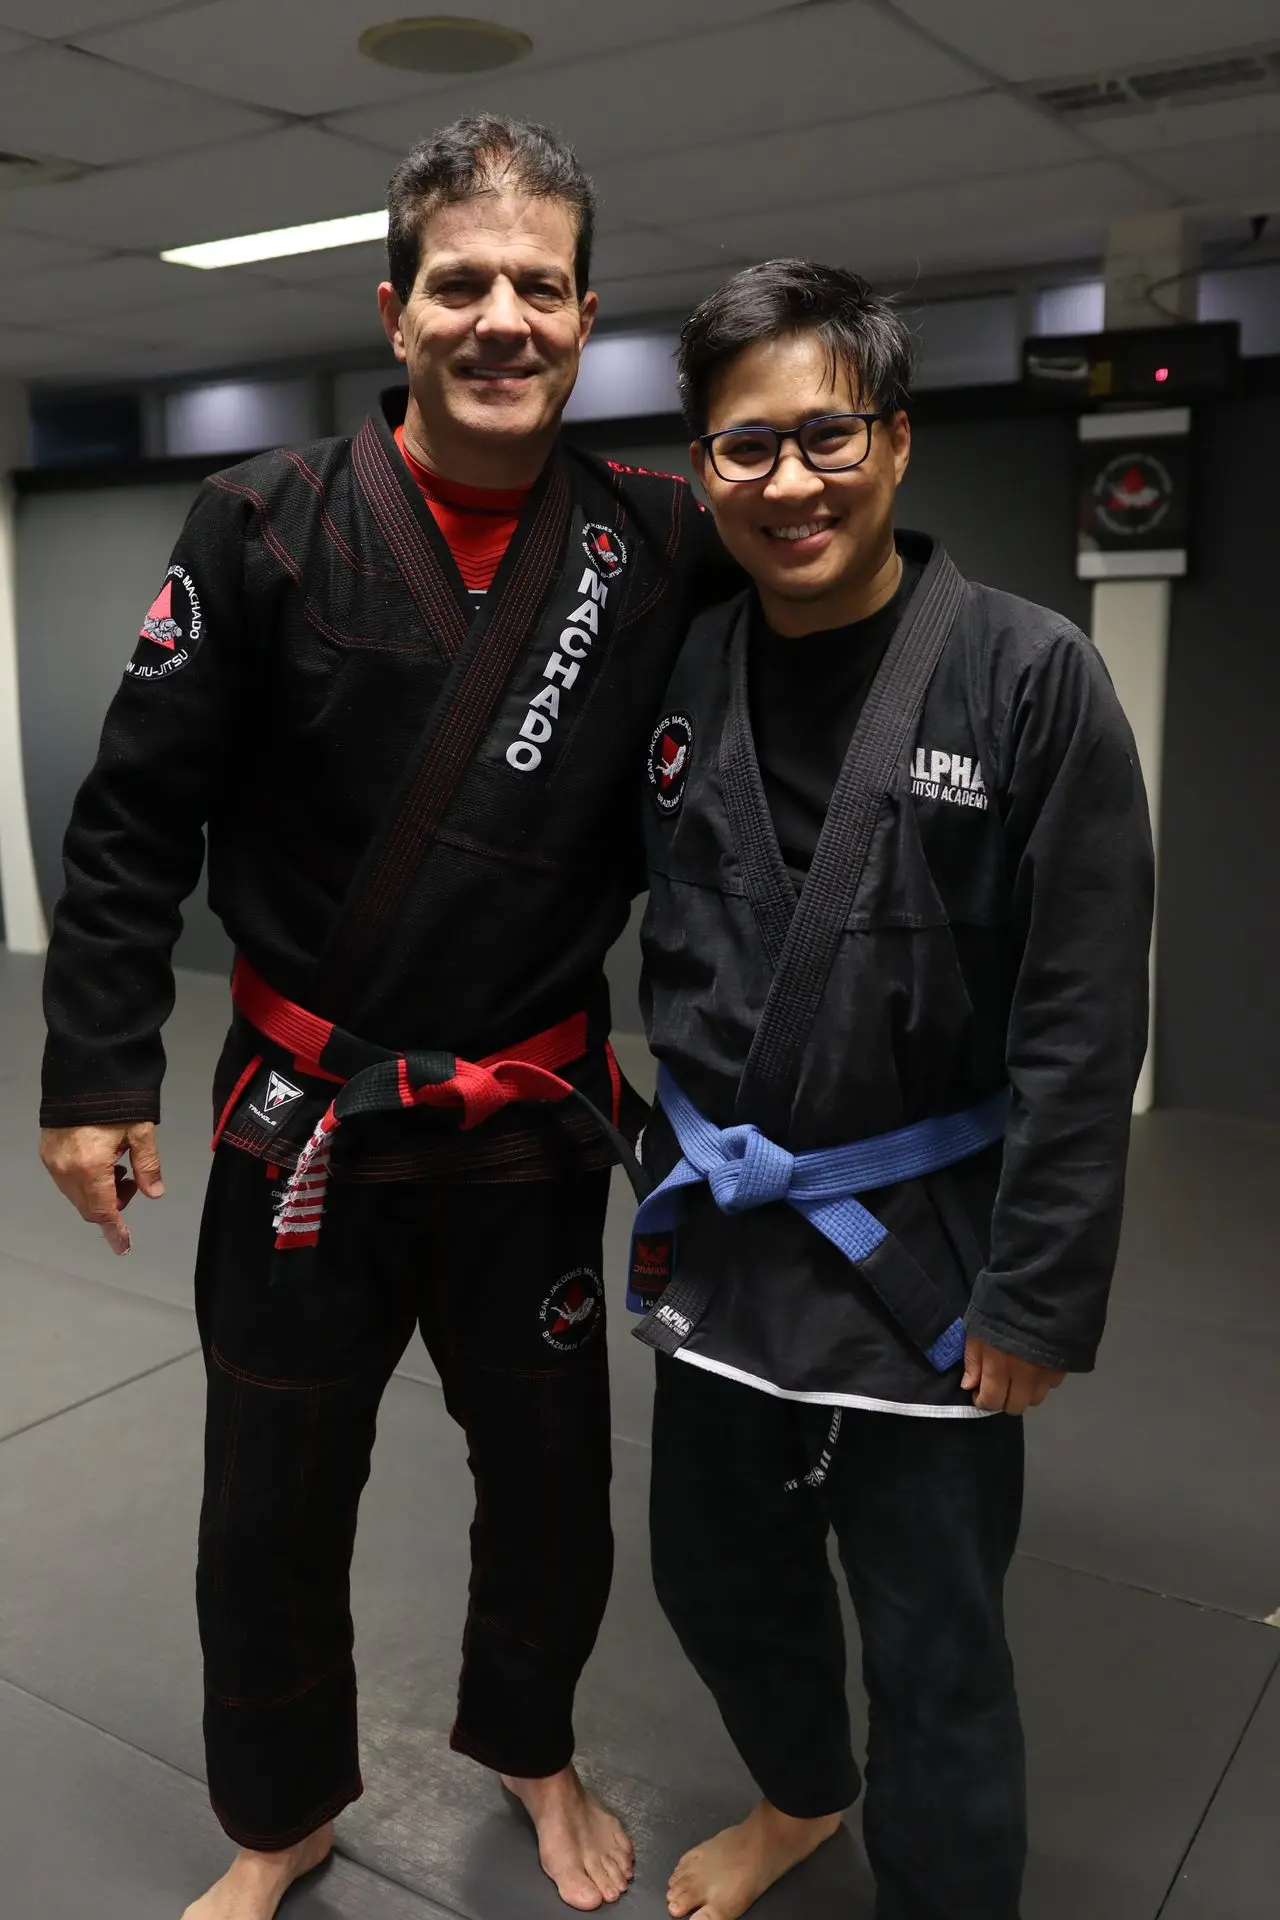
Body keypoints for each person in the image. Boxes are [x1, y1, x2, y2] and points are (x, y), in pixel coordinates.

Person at [38, 115, 731, 1920]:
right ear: (396, 308)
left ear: (590, 318)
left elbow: (840, 585)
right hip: (307, 1116)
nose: (504, 317)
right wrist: (100, 1070)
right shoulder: (261, 523)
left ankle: (529, 1741)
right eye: (463, 283)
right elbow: (131, 818)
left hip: (526, 1122)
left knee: (554, 1482)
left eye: (543, 286)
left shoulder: (656, 543)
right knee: (270, 1493)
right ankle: (279, 1814)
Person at [628, 260, 1155, 1920]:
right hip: (726, 1244)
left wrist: (1040, 1293)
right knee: (716, 1579)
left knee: (938, 1647)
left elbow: (1084, 1015)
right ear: (704, 468)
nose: (789, 483)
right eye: (744, 449)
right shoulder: (683, 668)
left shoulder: (1029, 675)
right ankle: (800, 1797)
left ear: (898, 444)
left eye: (826, 437)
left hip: (927, 1266)